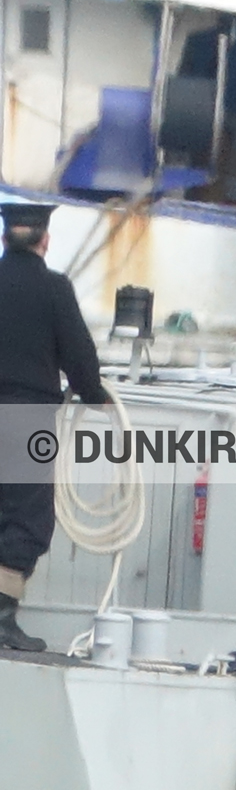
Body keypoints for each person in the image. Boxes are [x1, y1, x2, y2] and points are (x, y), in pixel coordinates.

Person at [0, 202, 108, 654]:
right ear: (44, 240)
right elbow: (80, 359)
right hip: (27, 418)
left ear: (6, 238)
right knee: (25, 519)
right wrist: (94, 395)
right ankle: (3, 620)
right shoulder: (54, 288)